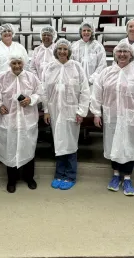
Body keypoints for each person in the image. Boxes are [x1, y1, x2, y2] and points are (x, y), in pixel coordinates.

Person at [90, 42, 134, 196]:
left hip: (131, 119)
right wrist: (96, 113)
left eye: (126, 51)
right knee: (114, 146)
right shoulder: (106, 73)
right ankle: (115, 175)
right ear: (115, 54)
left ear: (131, 55)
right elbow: (97, 94)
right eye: (119, 51)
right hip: (111, 117)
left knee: (129, 147)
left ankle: (127, 178)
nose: (122, 54)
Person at [42, 39, 90, 190]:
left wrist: (81, 111)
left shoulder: (76, 67)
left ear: (69, 51)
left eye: (65, 49)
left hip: (71, 112)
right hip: (55, 111)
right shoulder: (49, 68)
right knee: (58, 142)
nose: (62, 51)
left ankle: (70, 175)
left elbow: (85, 91)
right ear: (56, 50)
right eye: (60, 48)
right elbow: (44, 91)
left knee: (70, 143)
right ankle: (59, 174)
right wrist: (46, 111)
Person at [0, 53, 43, 193]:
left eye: (19, 63)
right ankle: (12, 180)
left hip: (27, 121)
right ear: (9, 64)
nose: (17, 66)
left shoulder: (31, 77)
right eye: (14, 63)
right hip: (9, 121)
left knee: (28, 148)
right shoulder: (2, 77)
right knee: (10, 149)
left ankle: (29, 178)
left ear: (24, 63)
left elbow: (40, 93)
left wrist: (30, 99)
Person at [71, 21, 107, 87]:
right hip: (77, 83)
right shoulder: (74, 46)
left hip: (94, 84)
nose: (86, 32)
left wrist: (92, 80)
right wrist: (78, 79)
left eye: (88, 30)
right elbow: (71, 65)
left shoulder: (98, 46)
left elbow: (102, 65)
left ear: (92, 32)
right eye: (84, 30)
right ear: (81, 32)